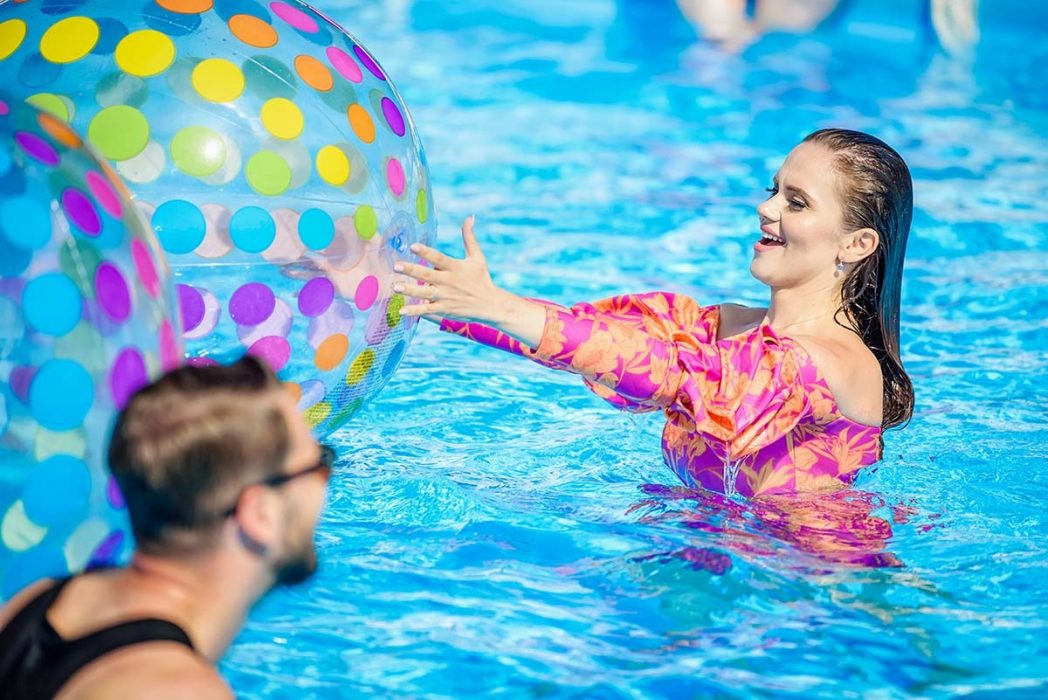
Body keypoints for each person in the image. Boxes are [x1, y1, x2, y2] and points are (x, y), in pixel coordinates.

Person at [393, 128, 914, 499]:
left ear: (857, 243)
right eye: (772, 190)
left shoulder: (833, 362)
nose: (767, 208)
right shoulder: (723, 326)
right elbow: (589, 339)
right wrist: (412, 291)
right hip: (719, 554)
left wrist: (497, 306)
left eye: (796, 202)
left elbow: (667, 372)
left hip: (824, 591)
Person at [0, 356, 333, 699]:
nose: (325, 487)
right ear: (260, 514)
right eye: (319, 465)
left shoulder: (38, 603)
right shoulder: (176, 691)